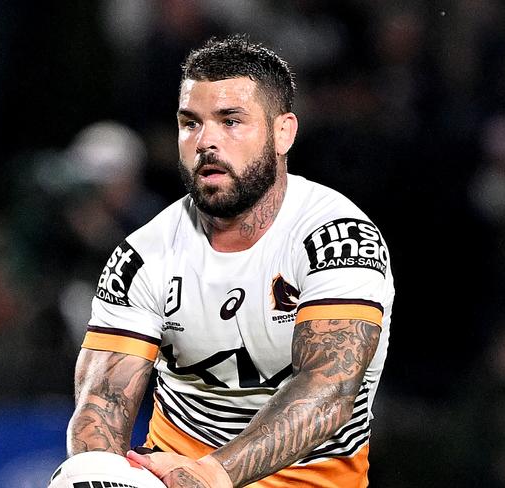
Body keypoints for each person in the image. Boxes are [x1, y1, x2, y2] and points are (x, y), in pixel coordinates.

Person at [66, 34, 394, 488]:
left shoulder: (337, 238)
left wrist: (212, 475)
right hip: (171, 477)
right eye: (190, 123)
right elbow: (102, 402)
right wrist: (99, 473)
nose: (206, 142)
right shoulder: (143, 255)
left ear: (284, 133)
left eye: (231, 121)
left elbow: (327, 390)